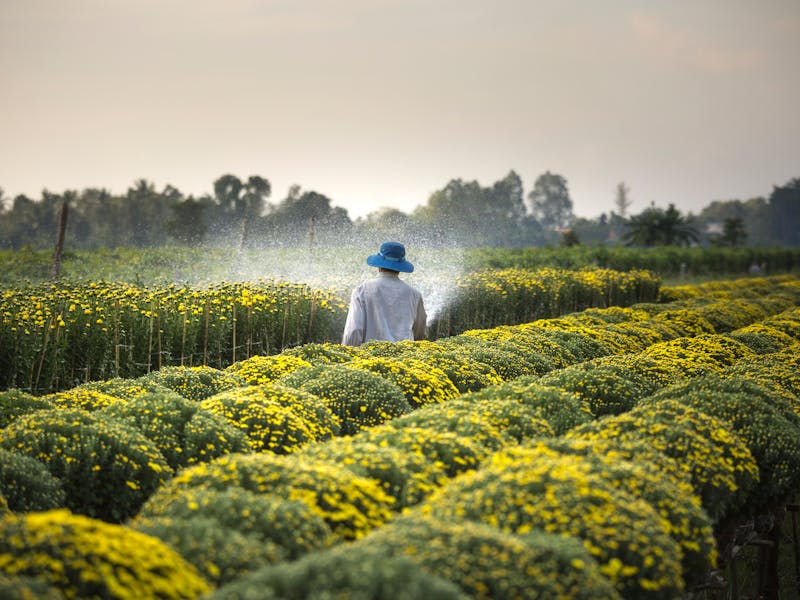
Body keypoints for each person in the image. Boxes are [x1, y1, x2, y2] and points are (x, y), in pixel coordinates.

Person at [341, 241, 427, 346]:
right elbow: (419, 331)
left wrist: (348, 352)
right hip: (405, 354)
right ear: (400, 268)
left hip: (369, 354)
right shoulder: (414, 295)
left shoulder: (362, 291)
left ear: (379, 266)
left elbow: (353, 331)